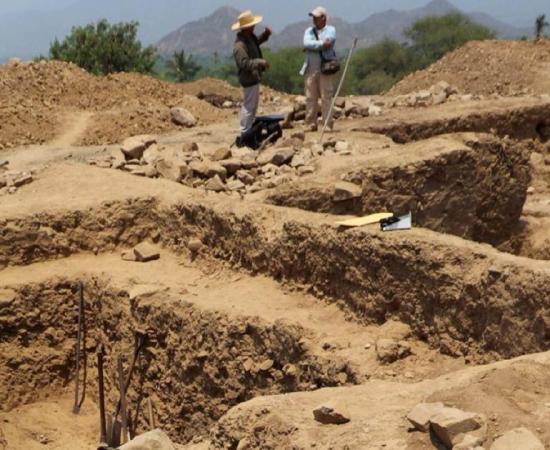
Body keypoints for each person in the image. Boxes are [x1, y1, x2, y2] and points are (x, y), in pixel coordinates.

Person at [232, 10, 272, 138]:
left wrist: (265, 35)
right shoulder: (239, 45)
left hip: (253, 77)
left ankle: (248, 130)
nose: (254, 27)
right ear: (246, 28)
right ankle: (245, 132)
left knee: (253, 106)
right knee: (249, 106)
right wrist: (260, 62)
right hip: (248, 78)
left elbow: (256, 43)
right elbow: (244, 63)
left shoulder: (249, 38)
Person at [300, 6, 336, 132]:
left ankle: (327, 123)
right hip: (310, 68)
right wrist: (321, 44)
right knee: (310, 97)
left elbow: (329, 42)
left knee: (326, 96)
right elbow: (307, 43)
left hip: (325, 68)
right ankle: (310, 123)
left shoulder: (331, 30)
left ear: (324, 18)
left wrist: (312, 46)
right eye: (313, 17)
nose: (314, 19)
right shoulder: (309, 31)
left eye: (316, 17)